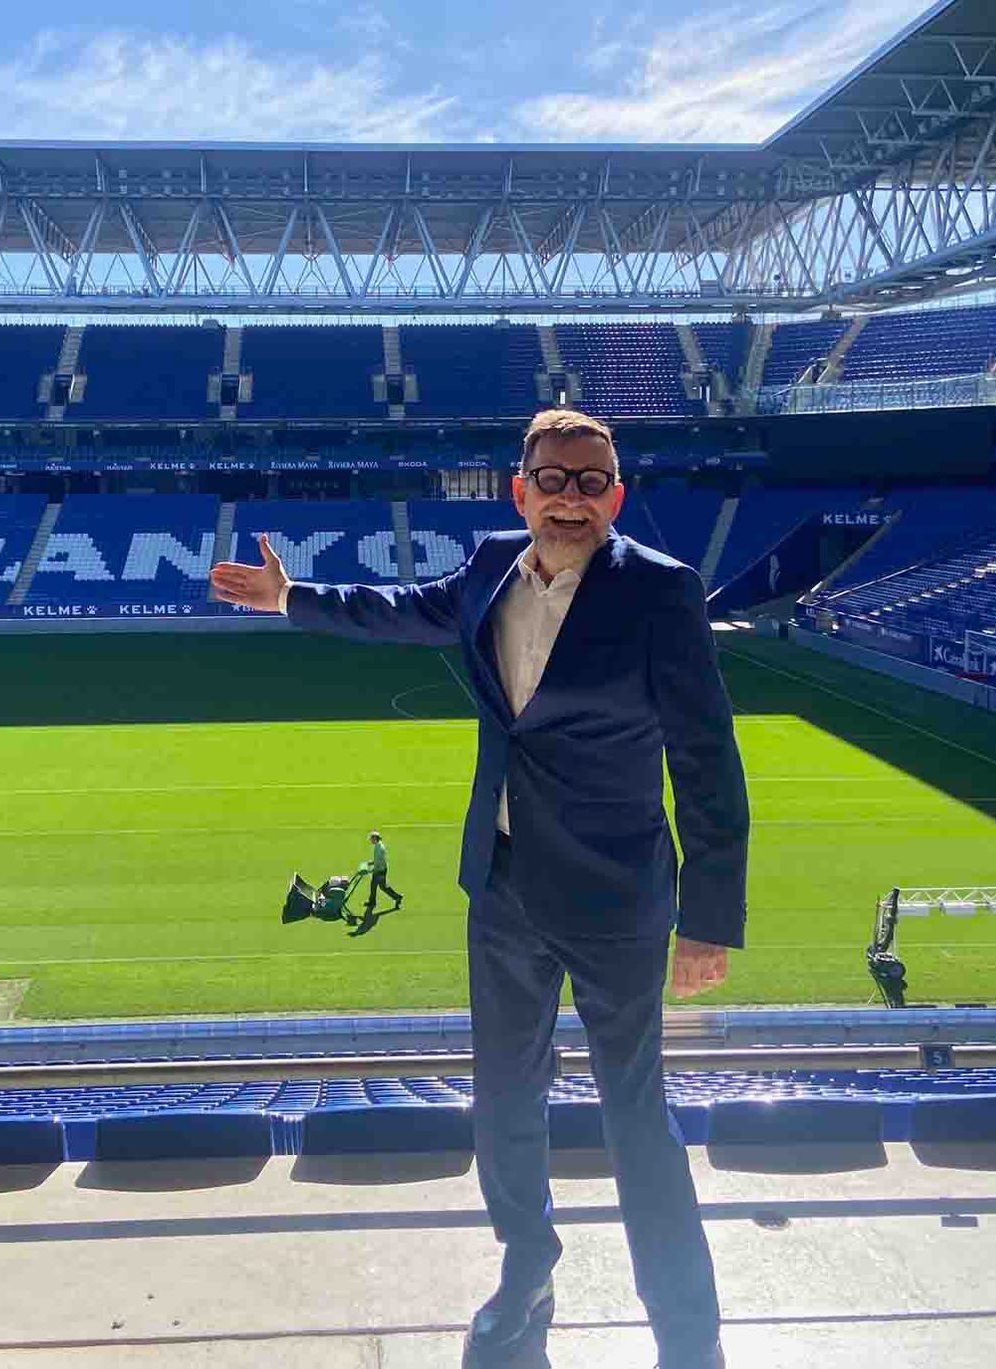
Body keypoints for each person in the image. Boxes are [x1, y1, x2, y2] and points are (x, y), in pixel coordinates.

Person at [211, 408, 747, 1369]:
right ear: (521, 488)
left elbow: (709, 763)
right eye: (554, 477)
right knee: (503, 1100)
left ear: (616, 496)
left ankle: (686, 1330)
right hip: (502, 890)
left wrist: (707, 919)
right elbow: (401, 610)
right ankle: (527, 1263)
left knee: (636, 1118)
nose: (570, 497)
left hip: (620, 900)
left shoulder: (662, 594)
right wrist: (293, 599)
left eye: (591, 481)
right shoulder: (491, 566)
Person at [362, 829, 402, 918]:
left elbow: (379, 862)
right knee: (379, 886)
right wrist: (371, 863)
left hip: (380, 870)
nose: (370, 841)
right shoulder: (378, 846)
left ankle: (395, 897)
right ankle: (395, 897)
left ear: (375, 838)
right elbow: (378, 860)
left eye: (371, 839)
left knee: (379, 886)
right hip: (380, 869)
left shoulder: (379, 848)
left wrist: (372, 869)